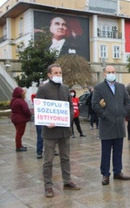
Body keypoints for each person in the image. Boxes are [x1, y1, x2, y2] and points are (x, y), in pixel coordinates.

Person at [36, 64, 80, 198]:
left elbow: (70, 107)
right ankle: (48, 186)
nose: (58, 75)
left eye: (60, 72)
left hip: (65, 130)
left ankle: (67, 181)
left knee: (65, 158)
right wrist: (46, 121)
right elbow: (39, 109)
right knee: (48, 160)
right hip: (50, 131)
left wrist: (68, 118)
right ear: (49, 75)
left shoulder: (66, 88)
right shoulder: (43, 89)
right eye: (55, 73)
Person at [92, 65, 130, 185]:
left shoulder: (121, 87)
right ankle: (105, 174)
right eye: (109, 72)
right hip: (106, 125)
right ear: (104, 74)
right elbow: (95, 105)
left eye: (113, 71)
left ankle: (118, 172)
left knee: (118, 151)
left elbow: (128, 101)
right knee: (106, 152)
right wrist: (104, 115)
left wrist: (124, 113)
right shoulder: (99, 88)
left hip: (119, 125)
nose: (111, 73)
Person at [11, 87, 31, 152]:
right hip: (20, 120)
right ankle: (18, 147)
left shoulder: (13, 100)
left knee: (18, 133)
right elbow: (26, 110)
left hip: (15, 118)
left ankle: (19, 145)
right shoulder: (21, 101)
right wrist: (29, 115)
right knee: (20, 133)